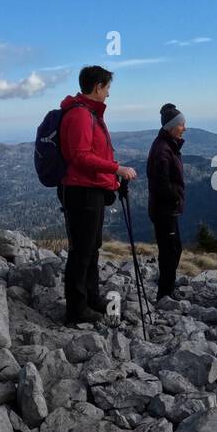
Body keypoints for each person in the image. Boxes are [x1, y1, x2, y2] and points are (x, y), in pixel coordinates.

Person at [57, 65, 138, 323]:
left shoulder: (88, 113)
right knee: (82, 251)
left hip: (90, 190)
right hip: (81, 191)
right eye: (107, 88)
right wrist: (117, 169)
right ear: (97, 87)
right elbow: (80, 157)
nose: (108, 94)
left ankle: (90, 297)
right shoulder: (81, 116)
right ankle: (76, 310)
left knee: (92, 248)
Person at [146, 102, 187, 300]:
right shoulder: (163, 150)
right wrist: (176, 197)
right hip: (164, 209)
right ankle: (165, 294)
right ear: (171, 126)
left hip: (165, 208)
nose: (184, 128)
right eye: (182, 125)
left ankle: (167, 289)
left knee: (172, 248)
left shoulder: (166, 145)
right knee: (170, 250)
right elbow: (161, 184)